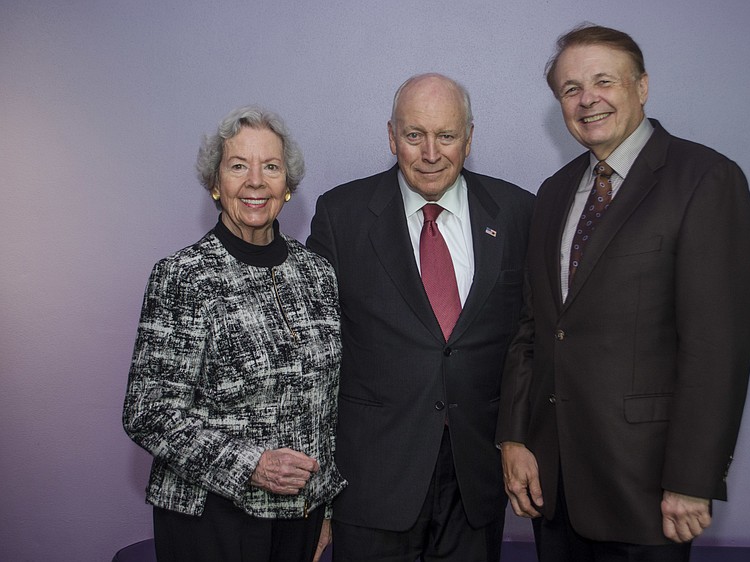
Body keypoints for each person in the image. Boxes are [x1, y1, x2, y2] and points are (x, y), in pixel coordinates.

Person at [496, 25, 750, 562]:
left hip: (648, 487)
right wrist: (515, 437)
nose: (587, 99)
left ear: (641, 86)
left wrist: (692, 478)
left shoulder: (705, 179)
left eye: (604, 81)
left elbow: (716, 348)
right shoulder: (553, 193)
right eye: (571, 89)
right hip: (554, 485)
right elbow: (534, 328)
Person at [307, 73, 535, 561]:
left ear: (469, 138)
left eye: (446, 135)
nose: (431, 153)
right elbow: (314, 359)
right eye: (415, 135)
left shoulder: (518, 212)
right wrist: (315, 489)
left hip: (476, 478)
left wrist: (519, 437)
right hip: (372, 480)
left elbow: (528, 337)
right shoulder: (341, 215)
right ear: (392, 137)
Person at [123, 105, 345, 562]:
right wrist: (252, 466)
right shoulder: (183, 276)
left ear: (287, 186)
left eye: (271, 167)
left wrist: (326, 506)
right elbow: (148, 412)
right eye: (238, 166)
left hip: (300, 517)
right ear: (215, 184)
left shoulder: (317, 274)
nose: (255, 181)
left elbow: (327, 407)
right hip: (212, 519)